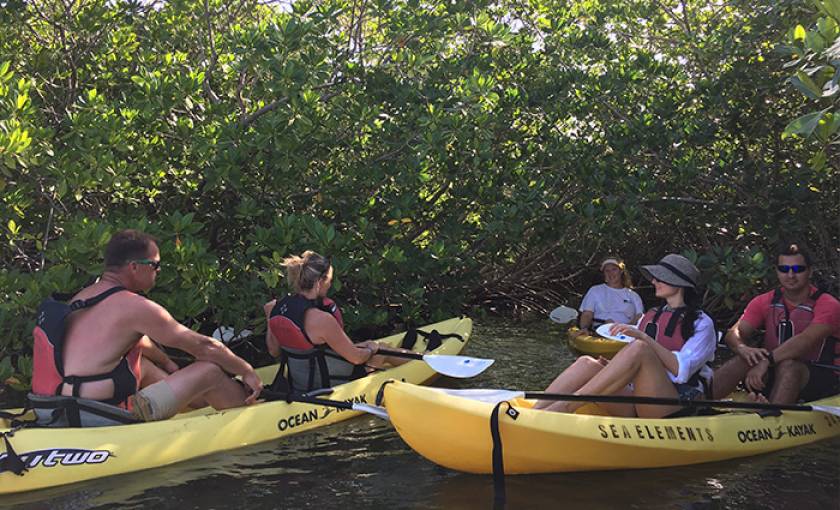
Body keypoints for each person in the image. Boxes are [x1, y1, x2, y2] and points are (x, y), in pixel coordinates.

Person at [31, 229, 263, 423]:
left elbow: (136, 342)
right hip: (100, 415)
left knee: (141, 362)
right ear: (134, 267)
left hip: (57, 408)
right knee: (209, 371)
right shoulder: (135, 306)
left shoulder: (82, 297)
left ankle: (198, 401)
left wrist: (168, 363)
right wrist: (246, 371)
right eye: (155, 265)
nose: (158, 271)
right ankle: (251, 416)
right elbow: (204, 347)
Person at [535, 254, 716, 417]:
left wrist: (644, 338)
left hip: (674, 403)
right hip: (638, 397)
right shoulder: (652, 315)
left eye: (661, 278)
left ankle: (563, 408)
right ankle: (534, 411)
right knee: (587, 363)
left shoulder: (702, 323)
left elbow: (681, 370)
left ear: (679, 284)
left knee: (640, 348)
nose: (654, 281)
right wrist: (611, 368)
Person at [712, 242, 840, 404]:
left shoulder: (828, 305)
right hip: (772, 367)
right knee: (744, 359)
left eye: (798, 269)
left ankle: (772, 418)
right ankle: (698, 405)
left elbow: (805, 341)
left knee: (789, 366)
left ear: (810, 271)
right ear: (777, 272)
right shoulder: (764, 301)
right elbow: (735, 333)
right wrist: (743, 349)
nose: (791, 275)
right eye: (784, 269)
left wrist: (767, 361)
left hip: (821, 377)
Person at [263, 251, 407, 393]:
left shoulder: (277, 308)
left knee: (367, 346)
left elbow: (274, 351)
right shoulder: (321, 319)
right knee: (382, 350)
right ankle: (422, 364)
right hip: (331, 385)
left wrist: (269, 317)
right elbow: (356, 358)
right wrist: (371, 349)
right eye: (329, 280)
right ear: (319, 282)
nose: (330, 284)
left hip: (301, 384)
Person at [576, 257, 644, 335]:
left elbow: (639, 316)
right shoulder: (595, 290)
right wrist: (584, 328)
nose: (610, 273)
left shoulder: (633, 295)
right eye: (607, 271)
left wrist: (625, 328)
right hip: (600, 330)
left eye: (614, 269)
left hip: (626, 332)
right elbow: (587, 314)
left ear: (621, 271)